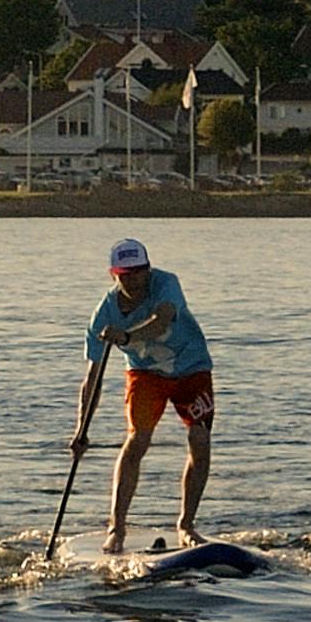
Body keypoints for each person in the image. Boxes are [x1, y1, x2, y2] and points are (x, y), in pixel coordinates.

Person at [68, 236, 214, 556]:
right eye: (124, 274)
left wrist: (127, 336)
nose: (133, 281)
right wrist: (81, 431)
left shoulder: (166, 283)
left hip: (192, 368)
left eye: (138, 272)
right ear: (113, 275)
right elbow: (93, 378)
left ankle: (186, 526)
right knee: (137, 441)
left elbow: (162, 319)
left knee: (200, 441)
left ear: (148, 270)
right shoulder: (103, 316)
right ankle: (116, 529)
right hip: (147, 377)